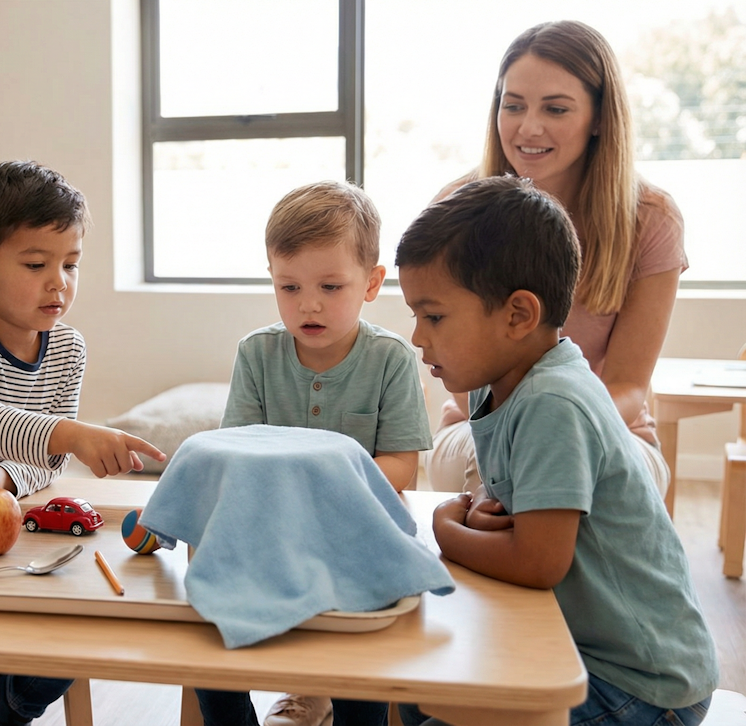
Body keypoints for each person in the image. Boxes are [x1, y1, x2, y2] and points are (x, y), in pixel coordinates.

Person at [396, 175, 716, 726]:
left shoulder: (553, 401)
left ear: (519, 314)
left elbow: (538, 562)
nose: (418, 337)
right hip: (580, 651)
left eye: (435, 316)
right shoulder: (498, 380)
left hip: (641, 685)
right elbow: (516, 522)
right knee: (411, 695)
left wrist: (447, 531)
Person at [0, 160, 165, 724]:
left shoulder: (67, 347)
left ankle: (16, 708)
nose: (59, 282)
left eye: (71, 264)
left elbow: (49, 461)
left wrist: (9, 476)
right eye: (37, 264)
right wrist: (69, 434)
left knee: (73, 619)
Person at [197, 180, 432, 726]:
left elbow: (401, 468)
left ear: (372, 283)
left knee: (359, 639)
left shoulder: (391, 359)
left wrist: (325, 488)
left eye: (330, 286)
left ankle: (339, 700)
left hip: (360, 531)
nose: (309, 304)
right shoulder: (257, 353)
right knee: (204, 625)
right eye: (289, 287)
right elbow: (235, 452)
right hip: (270, 528)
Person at [426, 20, 686, 499]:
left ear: (600, 117)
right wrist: (527, 438)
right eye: (514, 105)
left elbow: (628, 385)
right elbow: (452, 371)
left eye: (556, 108)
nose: (528, 127)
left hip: (610, 427)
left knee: (592, 483)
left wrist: (557, 434)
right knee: (501, 481)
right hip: (477, 426)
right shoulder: (458, 206)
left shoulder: (650, 220)